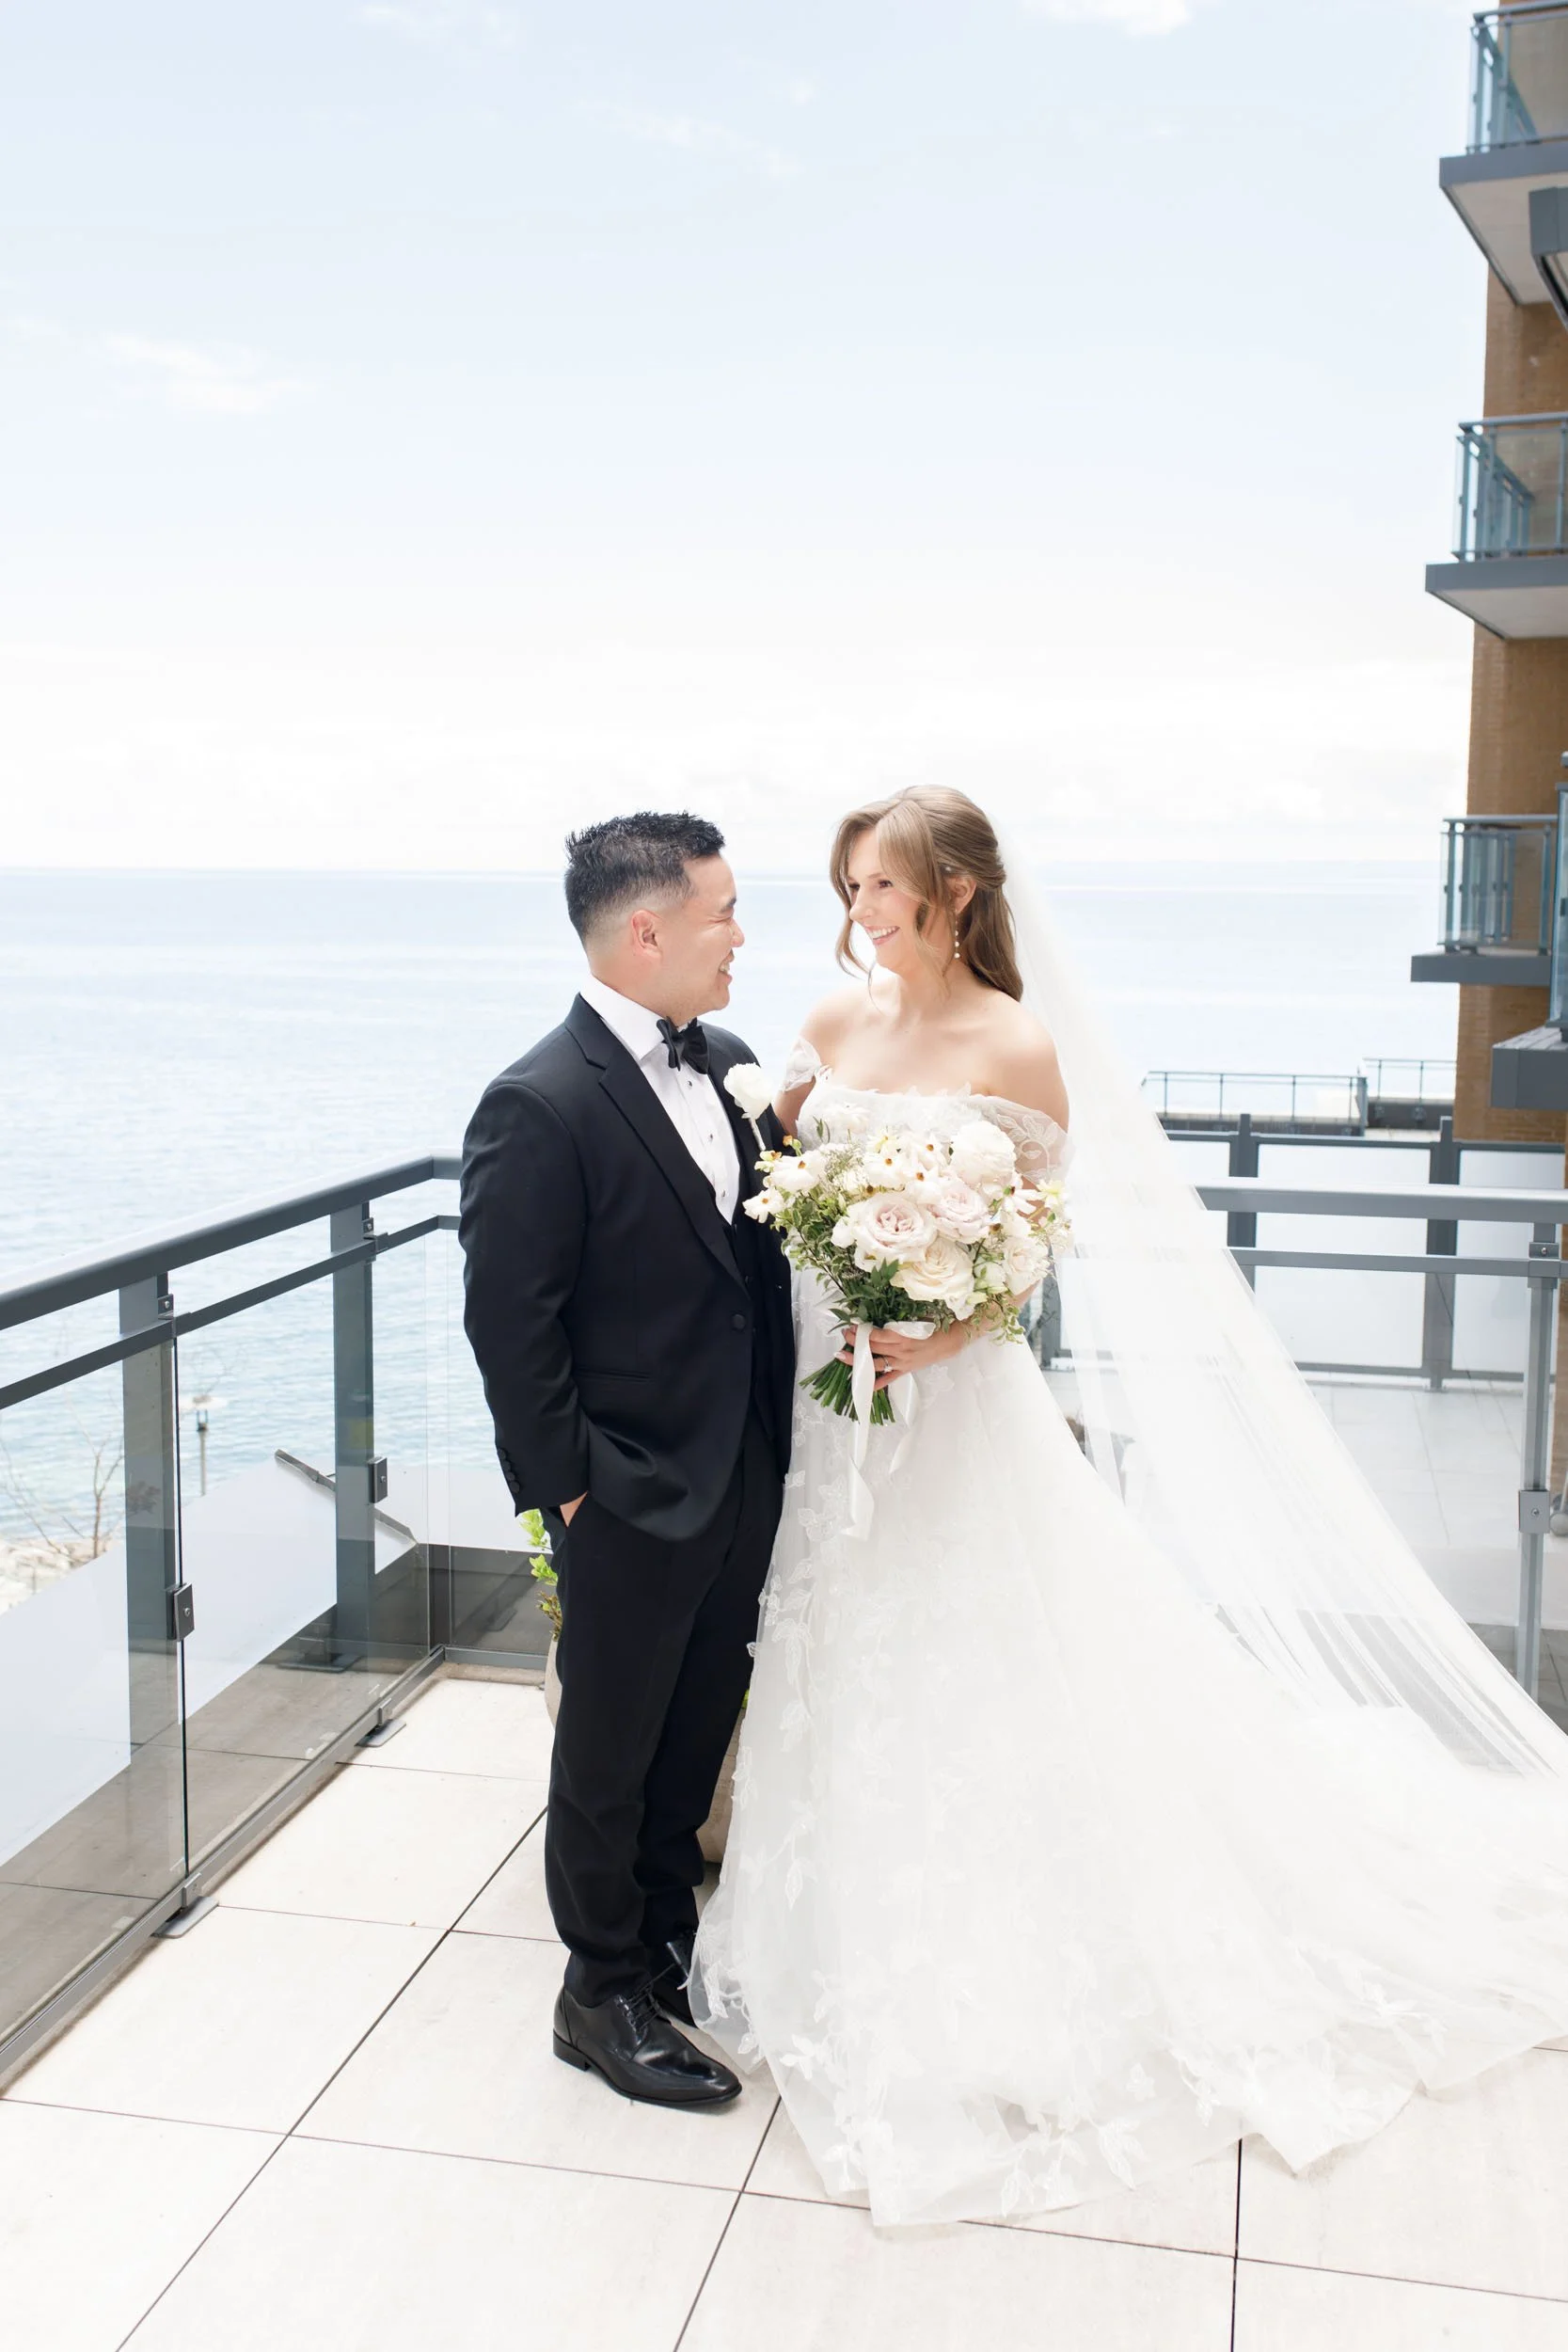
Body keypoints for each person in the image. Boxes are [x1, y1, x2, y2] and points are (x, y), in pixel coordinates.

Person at [692, 783, 1568, 2228]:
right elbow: (774, 1187)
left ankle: (998, 1947)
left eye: (883, 888)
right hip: (824, 1396)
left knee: (972, 1650)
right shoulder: (831, 1025)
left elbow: (1029, 1253)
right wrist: (829, 1276)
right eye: (848, 889)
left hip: (953, 1407)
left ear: (955, 894)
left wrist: (937, 1335)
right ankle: (830, 1914)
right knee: (836, 1634)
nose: (859, 914)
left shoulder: (1015, 1045)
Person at [459, 812, 794, 2108]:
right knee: (606, 1752)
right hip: (622, 1492)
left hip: (742, 1472)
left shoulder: (734, 1063)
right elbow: (511, 1326)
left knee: (695, 1726)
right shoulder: (538, 1102)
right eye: (723, 912)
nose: (741, 936)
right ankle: (595, 1993)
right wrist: (573, 1493)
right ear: (647, 931)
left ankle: (660, 1939)